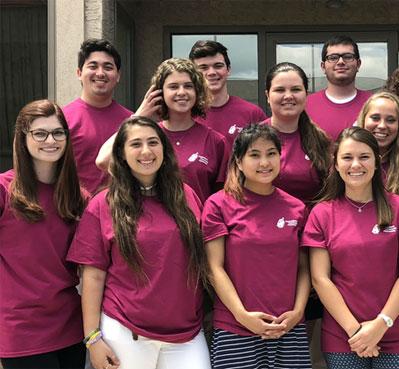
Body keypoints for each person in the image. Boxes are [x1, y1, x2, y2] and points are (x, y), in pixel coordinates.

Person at [67, 117, 210, 369]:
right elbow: (92, 276)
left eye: (153, 142)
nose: (146, 151)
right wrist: (92, 337)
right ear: (121, 154)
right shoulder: (103, 204)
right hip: (125, 332)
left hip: (186, 333)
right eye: (136, 144)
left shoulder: (186, 196)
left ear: (164, 150)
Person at [303, 127, 399, 368]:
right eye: (347, 157)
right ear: (335, 164)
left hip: (395, 332)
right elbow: (320, 278)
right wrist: (356, 331)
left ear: (377, 162)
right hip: (343, 335)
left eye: (364, 157)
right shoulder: (322, 214)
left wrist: (381, 324)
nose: (355, 164)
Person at [202, 124, 312, 369]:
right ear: (239, 162)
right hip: (236, 329)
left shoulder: (296, 208)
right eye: (254, 155)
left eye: (271, 153)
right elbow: (214, 268)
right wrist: (242, 316)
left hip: (288, 328)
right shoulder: (218, 205)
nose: (264, 162)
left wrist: (297, 312)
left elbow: (305, 268)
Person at [0, 100, 87, 369]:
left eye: (58, 132)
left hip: (71, 328)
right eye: (40, 133)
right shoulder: (4, 190)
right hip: (21, 332)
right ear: (22, 138)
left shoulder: (78, 197)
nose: (50, 140)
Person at [98, 58, 228, 203]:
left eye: (188, 86)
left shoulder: (215, 141)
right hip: (149, 222)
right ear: (159, 93)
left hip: (197, 223)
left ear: (197, 91)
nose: (181, 92)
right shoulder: (147, 136)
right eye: (173, 87)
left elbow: (224, 198)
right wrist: (138, 116)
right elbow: (103, 160)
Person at [63, 39, 132, 194]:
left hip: (121, 212)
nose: (100, 73)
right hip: (74, 212)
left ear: (118, 75)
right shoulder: (62, 119)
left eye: (108, 67)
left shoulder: (131, 121)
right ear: (79, 73)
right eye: (93, 66)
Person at [264, 62, 331, 204]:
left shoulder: (321, 140)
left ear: (306, 95)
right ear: (267, 96)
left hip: (311, 224)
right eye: (280, 90)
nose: (288, 96)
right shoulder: (252, 139)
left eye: (295, 89)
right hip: (260, 222)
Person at [189, 40, 267, 148]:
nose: (211, 72)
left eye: (218, 66)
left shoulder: (252, 113)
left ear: (228, 70)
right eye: (203, 68)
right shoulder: (186, 114)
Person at [306, 35, 372, 140]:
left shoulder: (373, 103)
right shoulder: (305, 105)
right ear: (323, 66)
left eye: (348, 57)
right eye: (333, 58)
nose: (341, 62)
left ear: (358, 64)